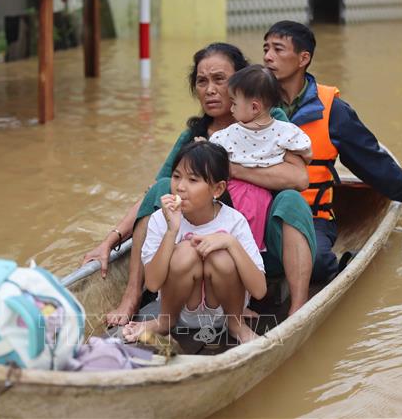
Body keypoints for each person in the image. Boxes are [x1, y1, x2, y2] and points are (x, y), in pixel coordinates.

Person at [82, 42, 316, 323]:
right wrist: (112, 239)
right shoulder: (196, 135)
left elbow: (299, 177)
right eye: (202, 81)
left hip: (263, 249)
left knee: (292, 202)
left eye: (220, 79)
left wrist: (230, 170)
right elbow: (155, 192)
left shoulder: (268, 120)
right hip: (199, 247)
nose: (210, 89)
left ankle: (298, 308)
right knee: (163, 186)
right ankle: (131, 296)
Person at [261, 20, 402, 281]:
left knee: (316, 265)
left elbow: (372, 162)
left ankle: (340, 265)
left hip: (312, 216)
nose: (268, 56)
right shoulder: (254, 102)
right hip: (261, 211)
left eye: (278, 50)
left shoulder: (333, 110)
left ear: (303, 58)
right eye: (266, 49)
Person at [122, 141, 267, 344]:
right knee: (186, 252)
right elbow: (153, 284)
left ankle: (236, 325)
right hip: (179, 312)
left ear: (217, 189)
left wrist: (230, 242)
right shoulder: (161, 219)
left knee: (221, 255)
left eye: (193, 180)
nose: (180, 187)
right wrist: (172, 231)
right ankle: (164, 322)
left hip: (223, 314)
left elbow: (259, 290)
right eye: (176, 177)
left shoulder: (233, 221)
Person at [209, 64, 312, 250]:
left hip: (232, 196)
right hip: (265, 200)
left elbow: (213, 157)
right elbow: (307, 154)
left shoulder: (228, 135)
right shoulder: (287, 133)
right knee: (249, 248)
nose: (231, 109)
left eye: (234, 103)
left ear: (254, 107)